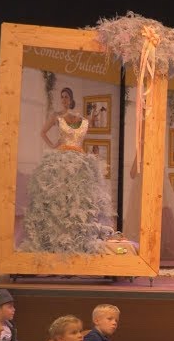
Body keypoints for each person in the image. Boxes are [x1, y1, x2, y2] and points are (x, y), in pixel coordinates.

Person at [19, 90, 114, 254]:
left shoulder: (83, 120)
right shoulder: (57, 116)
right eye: (62, 97)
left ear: (71, 99)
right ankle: (56, 237)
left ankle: (80, 238)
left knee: (81, 199)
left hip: (80, 162)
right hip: (62, 161)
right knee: (59, 198)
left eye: (66, 97)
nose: (64, 100)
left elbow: (78, 135)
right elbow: (43, 132)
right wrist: (54, 145)